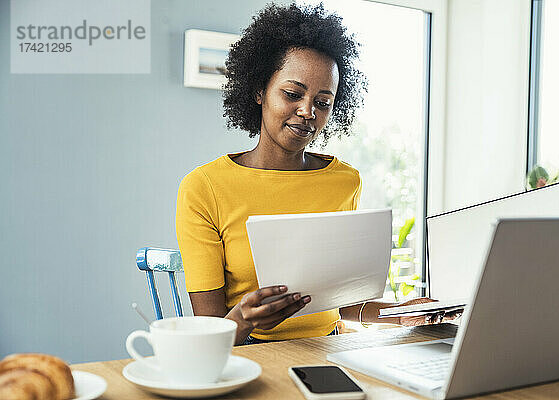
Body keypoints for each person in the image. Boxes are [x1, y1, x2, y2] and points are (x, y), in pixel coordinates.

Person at [176, 3, 458, 346]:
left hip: (331, 347)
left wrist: (400, 312)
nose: (308, 111)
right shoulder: (205, 187)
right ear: (259, 91)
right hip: (249, 353)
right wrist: (244, 319)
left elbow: (345, 304)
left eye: (323, 102)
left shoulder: (344, 181)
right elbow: (208, 332)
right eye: (293, 94)